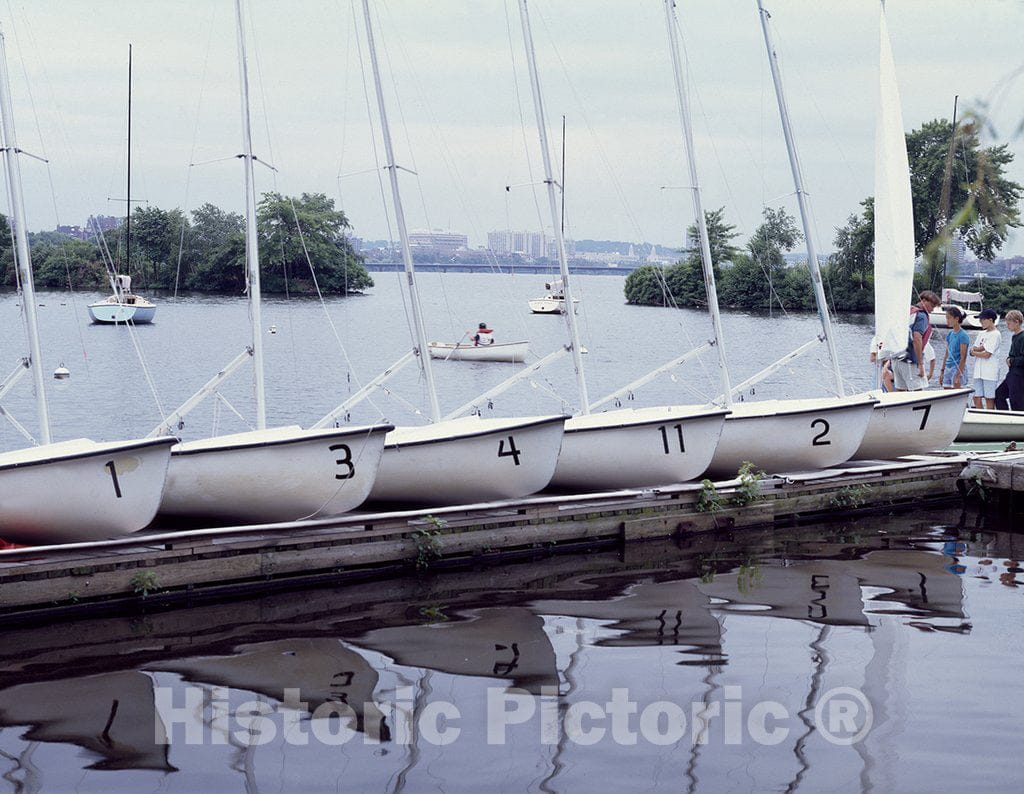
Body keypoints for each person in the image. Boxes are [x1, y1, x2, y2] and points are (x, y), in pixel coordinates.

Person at [892, 290, 941, 391]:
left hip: (896, 358)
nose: (932, 310)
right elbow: (917, 339)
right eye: (932, 306)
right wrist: (920, 364)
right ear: (924, 301)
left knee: (900, 392)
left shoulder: (906, 311)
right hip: (910, 360)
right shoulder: (921, 316)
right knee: (918, 391)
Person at [969, 307, 1001, 409]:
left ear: (990, 320)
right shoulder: (981, 333)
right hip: (978, 371)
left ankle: (990, 417)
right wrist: (977, 350)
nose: (981, 322)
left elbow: (987, 354)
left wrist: (975, 351)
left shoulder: (996, 334)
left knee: (989, 398)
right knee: (976, 397)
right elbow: (974, 349)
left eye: (983, 320)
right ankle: (980, 415)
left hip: (990, 372)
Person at [995, 309, 1024, 411]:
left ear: (1017, 322)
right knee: (998, 394)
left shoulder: (1022, 337)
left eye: (1009, 323)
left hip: (1019, 374)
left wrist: (1011, 361)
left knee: (1016, 401)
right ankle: (1006, 418)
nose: (1007, 326)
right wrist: (1009, 359)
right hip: (1012, 373)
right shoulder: (1015, 336)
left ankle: (1018, 422)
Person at [940, 307, 970, 390]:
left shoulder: (963, 335)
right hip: (948, 367)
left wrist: (958, 375)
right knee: (946, 395)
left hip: (957, 368)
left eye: (949, 318)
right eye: (946, 318)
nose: (947, 321)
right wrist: (942, 371)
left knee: (958, 395)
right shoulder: (950, 334)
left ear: (956, 318)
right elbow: (946, 353)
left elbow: (963, 357)